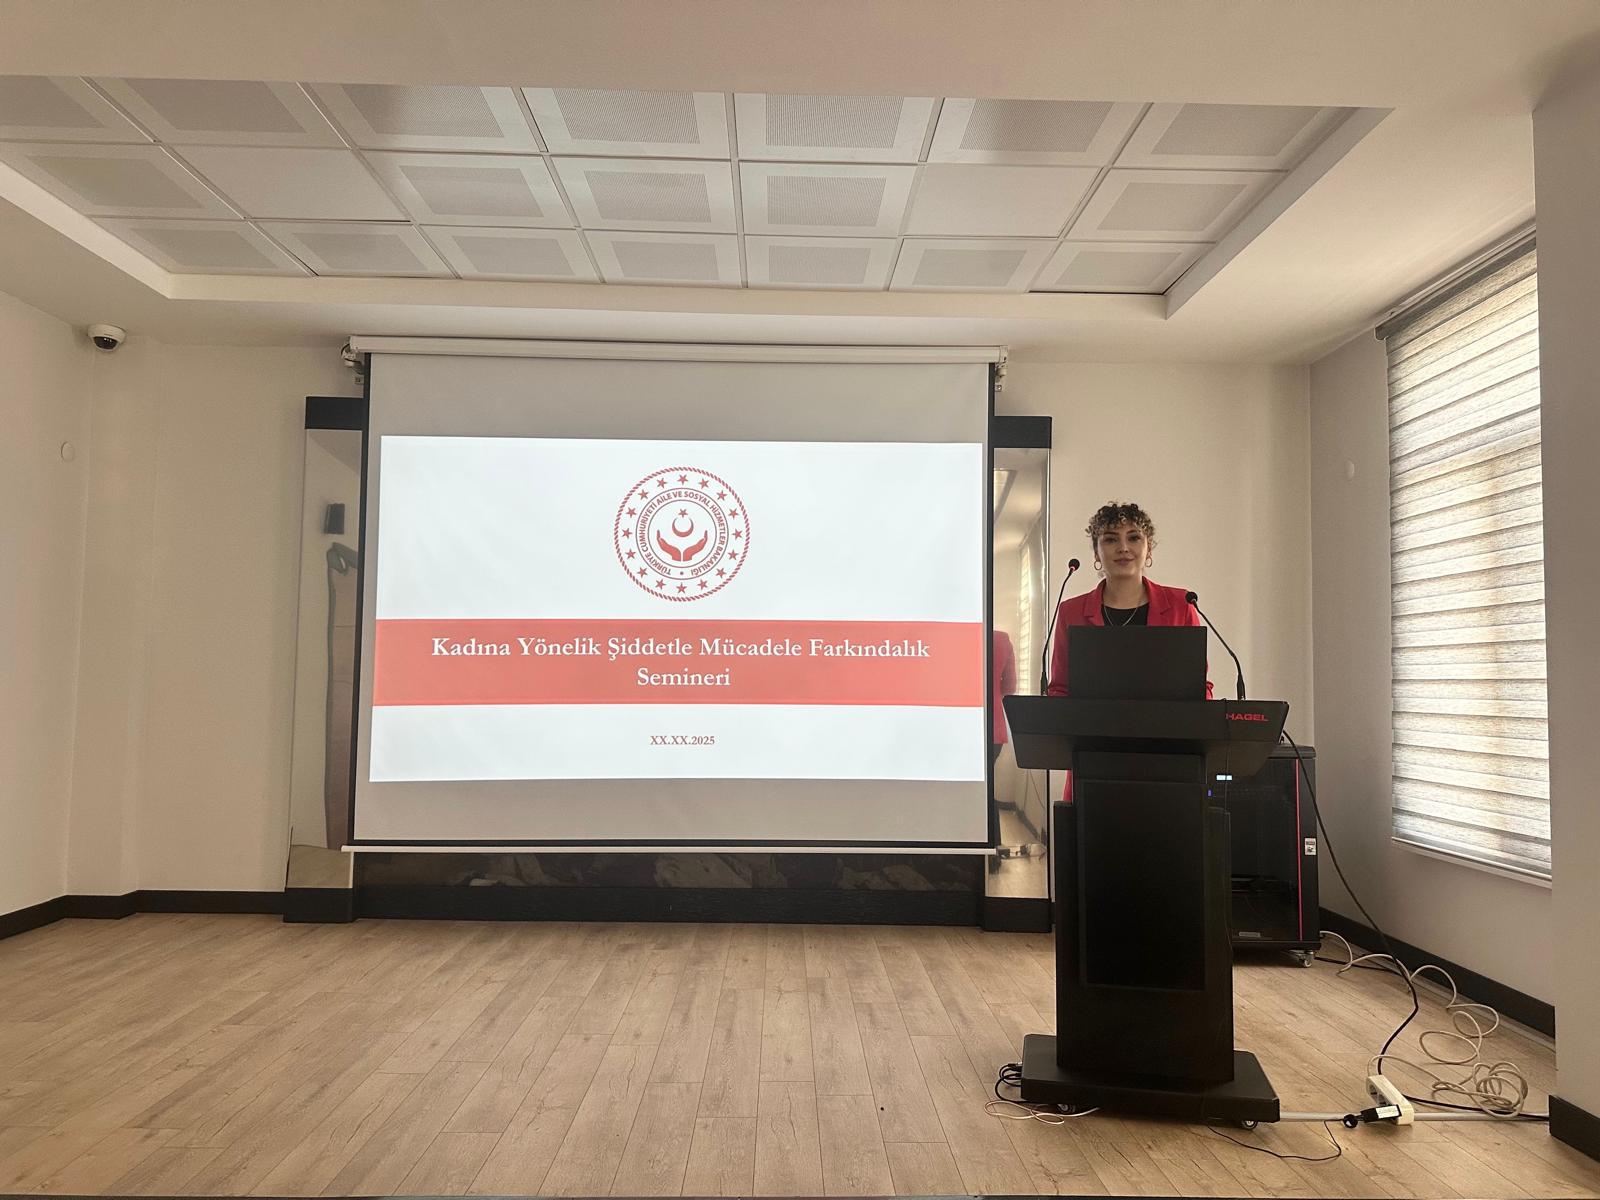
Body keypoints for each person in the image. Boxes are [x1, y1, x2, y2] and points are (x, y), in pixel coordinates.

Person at [1046, 501, 1212, 799]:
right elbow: (1060, 689)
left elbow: (1200, 689)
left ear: (1149, 549)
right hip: (1093, 762)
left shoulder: (1182, 605)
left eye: (1134, 537)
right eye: (1111, 539)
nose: (1123, 548)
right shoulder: (1071, 612)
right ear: (1096, 553)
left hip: (1170, 763)